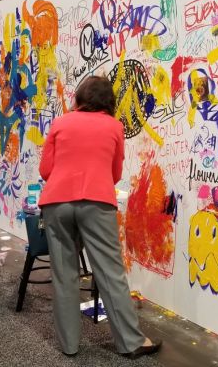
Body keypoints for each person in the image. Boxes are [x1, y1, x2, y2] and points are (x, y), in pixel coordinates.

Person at [38, 75, 162, 359]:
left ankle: (69, 345)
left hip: (56, 202)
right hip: (96, 201)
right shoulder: (115, 126)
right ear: (109, 101)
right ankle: (130, 342)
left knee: (64, 274)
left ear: (80, 97)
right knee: (110, 272)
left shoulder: (61, 122)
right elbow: (114, 174)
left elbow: (46, 170)